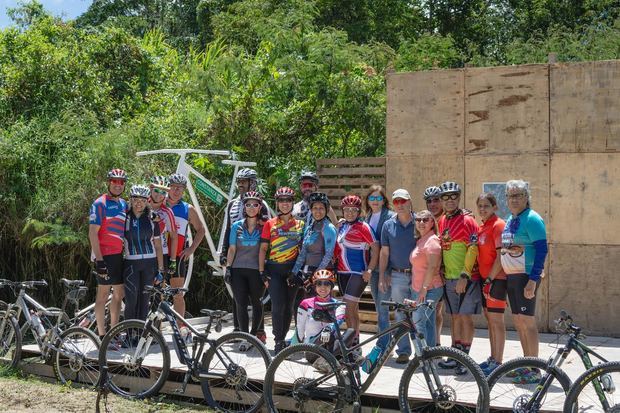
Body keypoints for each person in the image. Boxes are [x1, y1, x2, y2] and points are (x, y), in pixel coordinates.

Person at [500, 179, 548, 383]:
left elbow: (542, 249)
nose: (514, 199)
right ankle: (526, 365)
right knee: (519, 321)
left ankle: (535, 369)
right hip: (512, 276)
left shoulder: (533, 218)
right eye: (511, 195)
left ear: (527, 197)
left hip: (526, 276)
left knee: (528, 322)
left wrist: (533, 279)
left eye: (519, 195)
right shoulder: (511, 218)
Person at [220, 168, 270, 337]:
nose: (240, 184)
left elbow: (268, 234)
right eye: (239, 181)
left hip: (256, 261)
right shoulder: (232, 204)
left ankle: (259, 331)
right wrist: (224, 251)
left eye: (244, 181)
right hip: (237, 254)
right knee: (238, 298)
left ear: (252, 182)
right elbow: (228, 229)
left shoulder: (263, 205)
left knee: (257, 300)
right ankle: (239, 330)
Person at [436, 181, 481, 375]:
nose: (450, 200)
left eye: (453, 196)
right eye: (446, 197)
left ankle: (465, 357)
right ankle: (455, 353)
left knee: (465, 317)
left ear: (459, 197)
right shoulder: (443, 220)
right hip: (449, 277)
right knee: (454, 317)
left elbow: (473, 248)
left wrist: (465, 274)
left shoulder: (468, 220)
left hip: (466, 277)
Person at [259, 186, 305, 354]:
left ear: (293, 203)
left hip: (292, 270)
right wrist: (261, 271)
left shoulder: (300, 224)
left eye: (288, 200)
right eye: (281, 201)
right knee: (278, 306)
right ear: (277, 203)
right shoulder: (270, 224)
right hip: (274, 270)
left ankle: (284, 338)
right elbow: (263, 249)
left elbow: (304, 250)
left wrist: (299, 271)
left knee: (289, 307)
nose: (285, 204)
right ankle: (278, 340)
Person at [334, 194, 379, 351]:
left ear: (359, 211)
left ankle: (352, 343)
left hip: (358, 273)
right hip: (342, 272)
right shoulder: (342, 226)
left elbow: (376, 249)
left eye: (353, 210)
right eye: (346, 210)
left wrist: (370, 270)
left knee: (349, 306)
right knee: (350, 309)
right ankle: (354, 342)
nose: (350, 213)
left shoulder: (364, 227)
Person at [88, 168, 128, 340]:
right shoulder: (100, 203)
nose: (118, 185)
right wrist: (99, 260)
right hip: (104, 255)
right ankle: (102, 334)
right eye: (114, 181)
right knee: (103, 295)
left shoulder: (124, 204)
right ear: (109, 182)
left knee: (119, 294)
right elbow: (92, 233)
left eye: (121, 182)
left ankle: (114, 331)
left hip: (118, 255)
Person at [378, 189, 417, 364]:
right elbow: (384, 253)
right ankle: (404, 351)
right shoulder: (388, 225)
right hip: (397, 275)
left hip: (418, 275)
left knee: (418, 315)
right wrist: (382, 275)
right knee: (401, 314)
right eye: (396, 202)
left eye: (403, 201)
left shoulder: (420, 222)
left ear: (409, 201)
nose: (400, 205)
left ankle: (423, 353)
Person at [167, 173, 206, 339]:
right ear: (168, 187)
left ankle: (180, 326)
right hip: (159, 255)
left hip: (177, 257)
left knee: (177, 294)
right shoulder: (159, 204)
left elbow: (201, 230)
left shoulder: (187, 208)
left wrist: (191, 250)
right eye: (174, 187)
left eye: (180, 188)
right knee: (156, 293)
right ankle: (152, 329)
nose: (176, 191)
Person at [225, 191, 266, 348]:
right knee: (240, 304)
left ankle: (254, 336)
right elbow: (232, 249)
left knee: (257, 304)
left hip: (256, 270)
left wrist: (264, 271)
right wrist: (228, 268)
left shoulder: (264, 227)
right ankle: (244, 337)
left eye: (255, 204)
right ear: (244, 207)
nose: (251, 207)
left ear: (260, 207)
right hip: (238, 270)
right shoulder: (236, 226)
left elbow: (265, 250)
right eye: (248, 204)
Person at [476, 193, 508, 376]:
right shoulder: (483, 226)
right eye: (480, 206)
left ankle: (498, 361)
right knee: (490, 320)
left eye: (486, 205)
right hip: (484, 279)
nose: (482, 209)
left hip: (497, 279)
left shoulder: (498, 225)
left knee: (497, 321)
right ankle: (492, 358)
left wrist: (489, 279)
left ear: (494, 207)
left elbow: (501, 256)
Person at [123, 185, 165, 321]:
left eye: (142, 200)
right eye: (135, 199)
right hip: (131, 264)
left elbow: (158, 246)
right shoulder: (124, 218)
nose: (138, 203)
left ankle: (140, 335)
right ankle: (129, 335)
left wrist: (161, 270)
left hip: (149, 263)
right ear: (130, 200)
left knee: (144, 300)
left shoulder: (152, 219)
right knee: (131, 300)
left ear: (147, 201)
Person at [292, 269, 345, 371]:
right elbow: (300, 327)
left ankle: (327, 362)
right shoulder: (305, 303)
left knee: (349, 332)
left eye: (326, 284)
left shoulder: (338, 305)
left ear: (331, 287)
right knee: (328, 334)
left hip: (330, 346)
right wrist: (291, 350)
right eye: (319, 284)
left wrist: (329, 328)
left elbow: (339, 320)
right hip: (312, 350)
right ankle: (327, 362)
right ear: (315, 287)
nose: (323, 287)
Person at [363, 184, 395, 351]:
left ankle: (384, 344)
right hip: (372, 269)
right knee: (378, 306)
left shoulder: (391, 217)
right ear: (368, 200)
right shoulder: (366, 217)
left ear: (384, 200)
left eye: (378, 198)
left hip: (386, 268)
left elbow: (393, 246)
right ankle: (385, 341)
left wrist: (388, 271)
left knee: (384, 307)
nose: (375, 201)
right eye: (372, 198)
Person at [409, 209, 444, 347]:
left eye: (425, 220)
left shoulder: (432, 241)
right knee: (428, 323)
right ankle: (430, 355)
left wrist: (423, 289)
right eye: (418, 220)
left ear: (432, 222)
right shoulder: (422, 240)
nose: (421, 222)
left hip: (429, 289)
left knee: (418, 323)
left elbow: (432, 267)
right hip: (420, 289)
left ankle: (421, 357)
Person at [291, 192, 337, 294]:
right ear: (311, 210)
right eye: (315, 208)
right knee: (307, 306)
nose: (318, 211)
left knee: (319, 307)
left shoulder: (329, 228)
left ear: (326, 210)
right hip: (308, 271)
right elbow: (303, 253)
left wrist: (316, 276)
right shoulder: (309, 228)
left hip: (323, 273)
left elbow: (328, 255)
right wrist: (294, 272)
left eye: (321, 208)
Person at [423, 185, 445, 345]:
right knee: (433, 310)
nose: (433, 204)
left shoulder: (449, 219)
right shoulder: (425, 220)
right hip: (429, 272)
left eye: (436, 200)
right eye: (429, 201)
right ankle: (435, 342)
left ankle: (436, 342)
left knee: (438, 310)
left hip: (446, 271)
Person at [149, 176, 178, 281]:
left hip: (161, 254)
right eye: (156, 190)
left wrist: (173, 260)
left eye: (163, 192)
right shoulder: (141, 204)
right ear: (151, 189)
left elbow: (174, 237)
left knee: (158, 291)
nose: (159, 195)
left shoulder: (167, 212)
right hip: (142, 252)